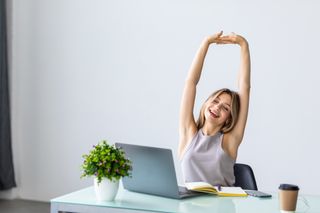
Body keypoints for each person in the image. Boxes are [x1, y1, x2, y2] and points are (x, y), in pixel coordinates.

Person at [179, 31, 251, 186]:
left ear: (229, 119)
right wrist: (206, 43)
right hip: (189, 207)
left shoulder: (229, 141)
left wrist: (244, 45)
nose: (217, 107)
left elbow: (244, 87)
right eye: (215, 101)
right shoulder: (188, 133)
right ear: (206, 103)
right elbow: (190, 82)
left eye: (225, 107)